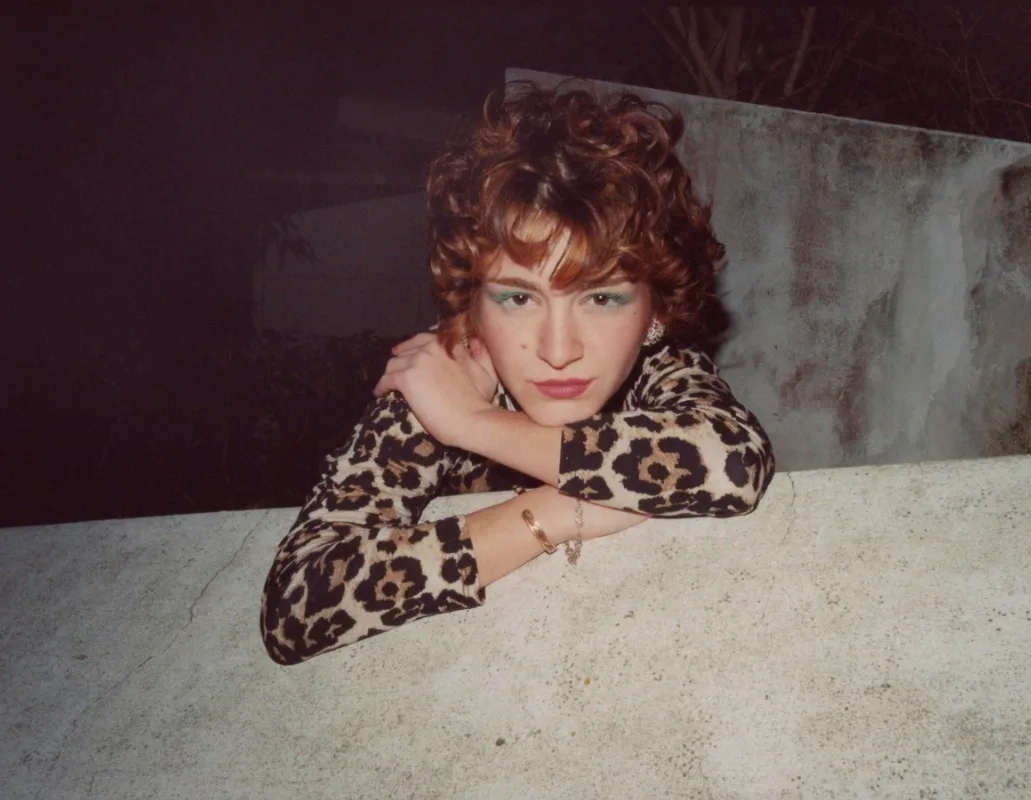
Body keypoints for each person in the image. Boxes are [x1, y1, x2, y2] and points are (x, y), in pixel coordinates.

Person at [259, 80, 775, 666]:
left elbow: (733, 463)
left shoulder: (657, 361)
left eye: (601, 298)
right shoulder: (446, 377)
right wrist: (551, 515)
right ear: (471, 306)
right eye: (519, 298)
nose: (558, 350)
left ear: (655, 312)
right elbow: (295, 608)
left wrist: (473, 425)